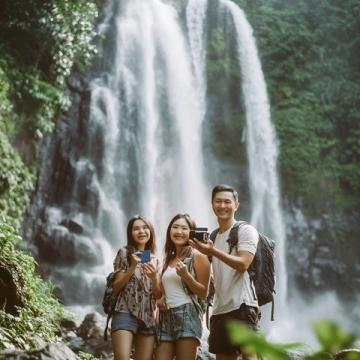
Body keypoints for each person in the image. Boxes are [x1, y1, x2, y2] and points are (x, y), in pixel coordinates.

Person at [190, 184, 260, 360]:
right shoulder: (213, 237)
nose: (222, 206)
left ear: (236, 205)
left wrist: (213, 252)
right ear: (212, 204)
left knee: (249, 356)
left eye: (227, 202)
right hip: (220, 310)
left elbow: (243, 263)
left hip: (242, 306)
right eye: (218, 201)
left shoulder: (245, 230)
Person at [155, 213, 211, 360]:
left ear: (191, 233)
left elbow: (204, 293)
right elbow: (161, 293)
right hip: (165, 317)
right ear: (169, 231)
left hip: (187, 314)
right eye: (175, 227)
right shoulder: (168, 259)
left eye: (184, 228)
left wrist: (186, 276)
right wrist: (159, 300)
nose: (179, 231)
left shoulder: (198, 256)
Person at [111, 215, 162, 360]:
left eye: (145, 227)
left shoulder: (154, 259)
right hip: (124, 312)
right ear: (130, 233)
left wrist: (153, 278)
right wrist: (132, 267)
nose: (141, 231)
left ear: (150, 231)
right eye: (136, 229)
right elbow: (116, 287)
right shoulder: (124, 253)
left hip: (148, 317)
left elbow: (158, 295)